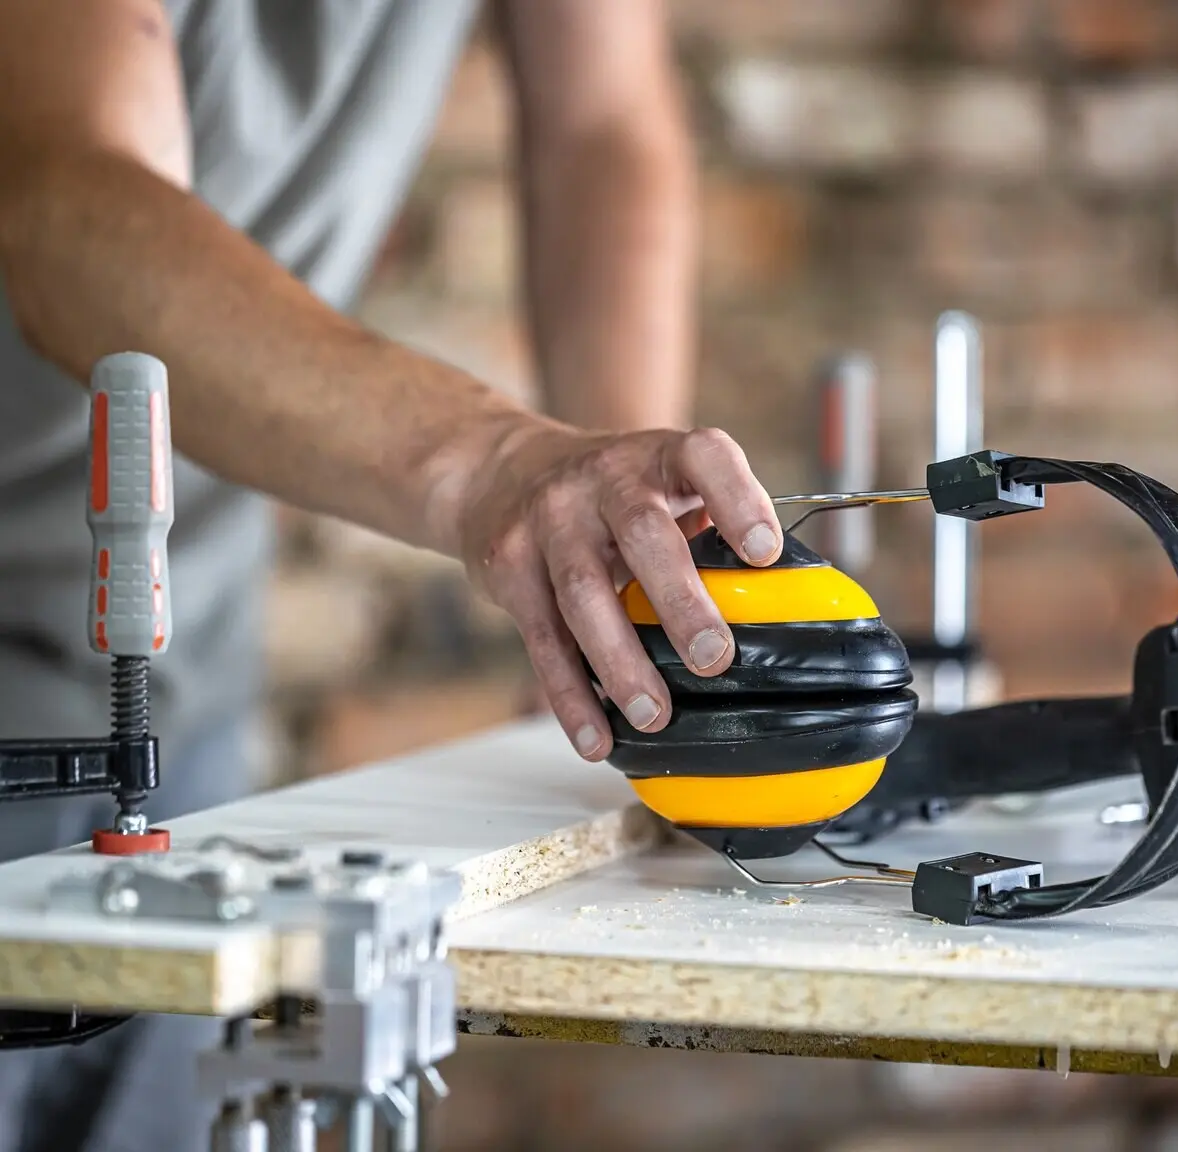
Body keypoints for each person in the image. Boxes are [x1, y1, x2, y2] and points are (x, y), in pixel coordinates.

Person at [0, 1, 783, 1148]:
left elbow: (601, 120)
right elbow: (76, 208)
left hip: (172, 680)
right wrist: (499, 470)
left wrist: (616, 594)